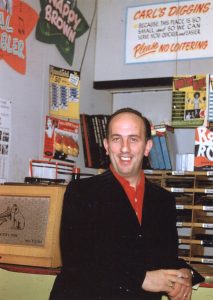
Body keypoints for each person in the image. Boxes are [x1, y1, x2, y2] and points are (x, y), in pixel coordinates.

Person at [50, 107, 203, 300]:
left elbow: (164, 257)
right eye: (116, 139)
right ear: (106, 146)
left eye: (133, 139)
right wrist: (141, 278)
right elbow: (78, 261)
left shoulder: (163, 200)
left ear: (147, 147)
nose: (124, 148)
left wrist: (185, 274)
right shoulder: (81, 192)